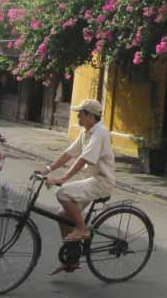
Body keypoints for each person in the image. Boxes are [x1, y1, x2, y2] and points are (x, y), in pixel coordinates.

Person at [35, 99, 115, 275]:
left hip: (101, 181)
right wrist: (47, 169)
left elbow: (83, 159)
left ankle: (83, 229)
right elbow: (69, 153)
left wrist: (62, 178)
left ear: (89, 115)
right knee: (63, 215)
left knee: (63, 193)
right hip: (91, 180)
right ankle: (72, 258)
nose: (78, 116)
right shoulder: (86, 132)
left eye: (80, 113)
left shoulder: (99, 132)